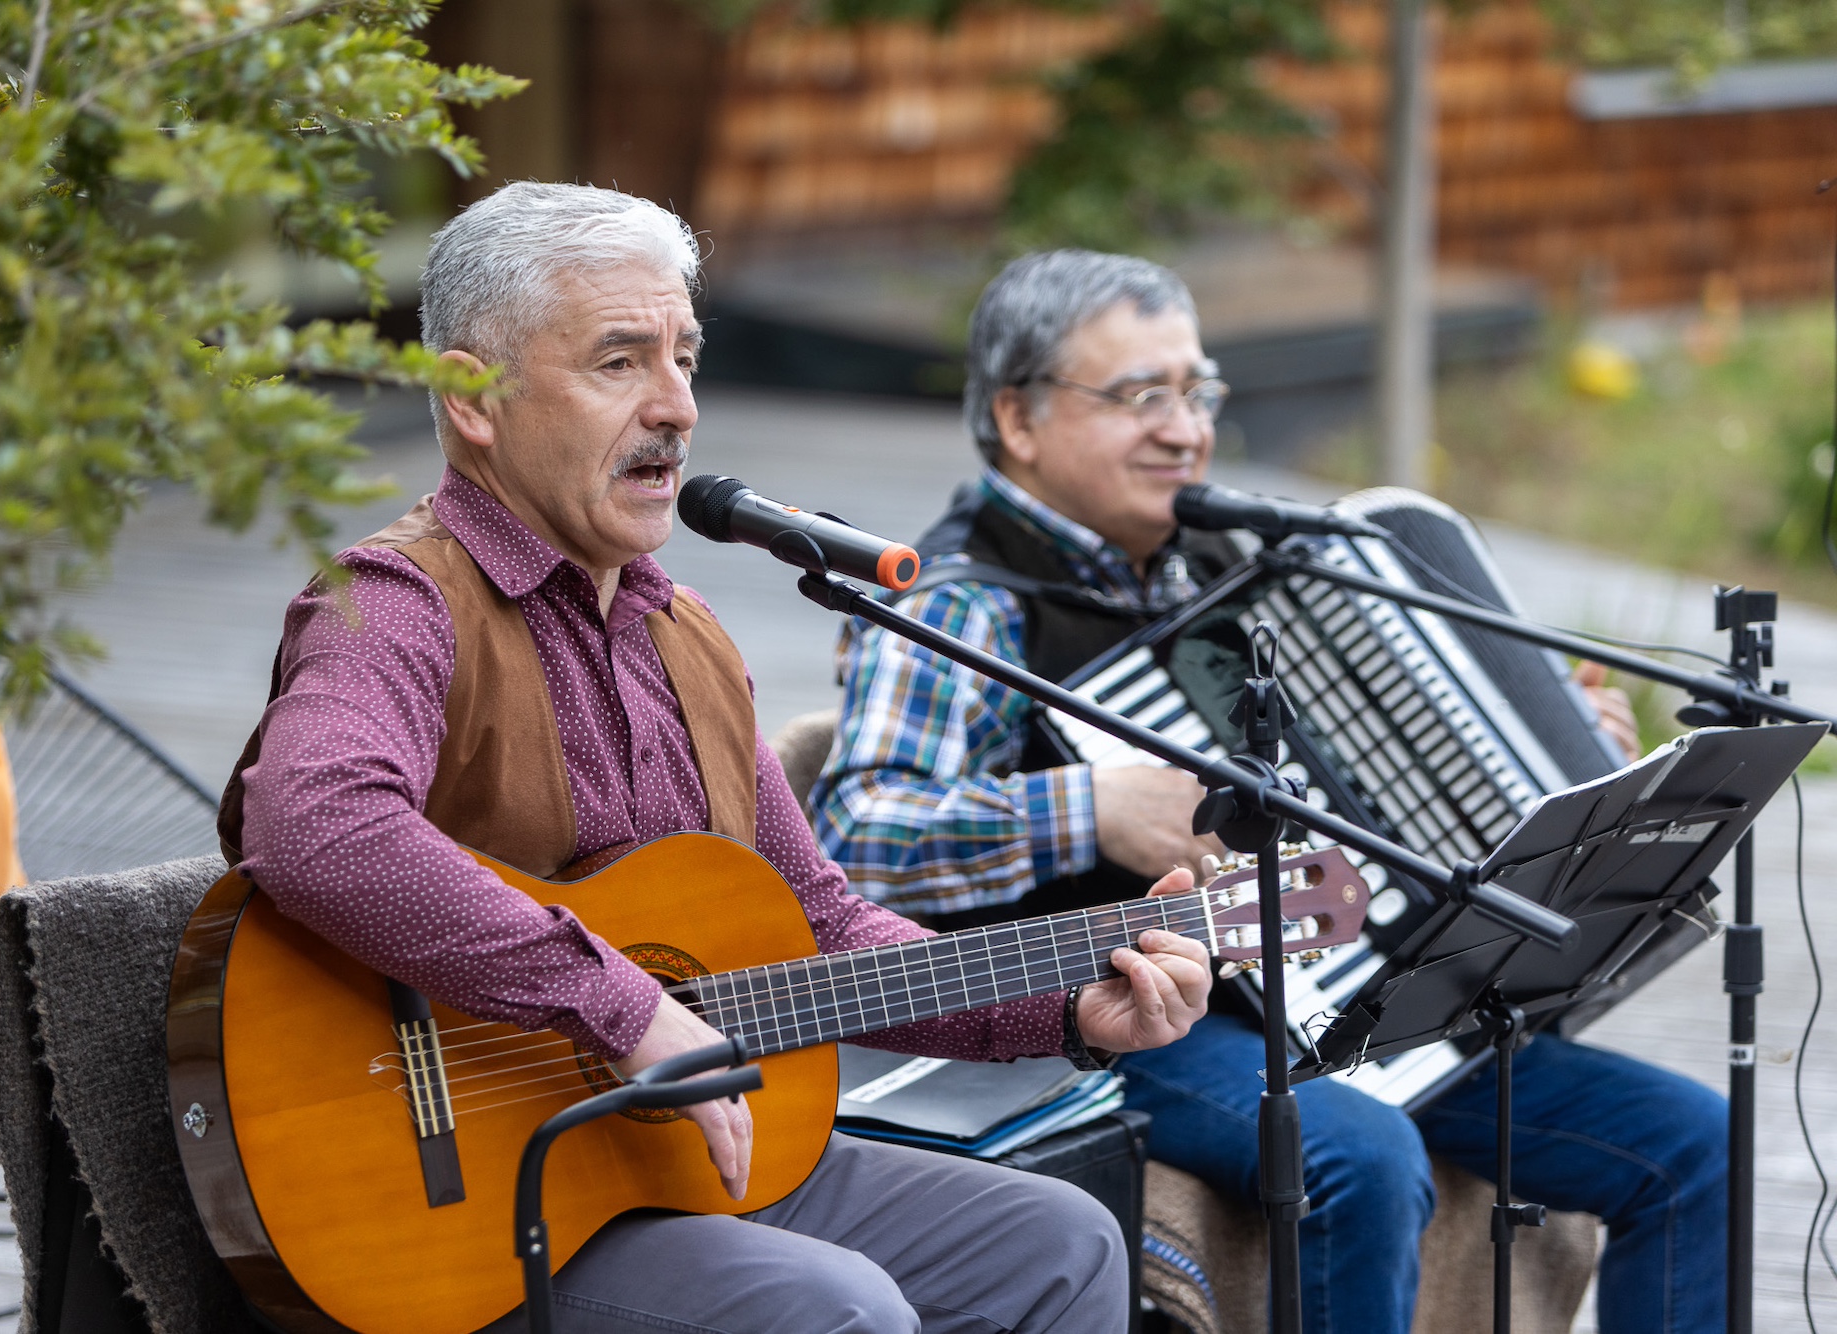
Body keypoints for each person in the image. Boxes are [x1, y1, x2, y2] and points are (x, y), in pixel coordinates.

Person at [218, 186, 1214, 1334]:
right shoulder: (391, 601)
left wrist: (1067, 1005)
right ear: (471, 396)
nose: (676, 407)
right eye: (619, 362)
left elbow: (823, 927)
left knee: (1059, 1243)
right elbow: (315, 825)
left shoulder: (686, 635)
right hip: (472, 1198)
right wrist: (617, 1003)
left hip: (677, 1161)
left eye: (684, 357)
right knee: (837, 1311)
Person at [813, 248, 1725, 1334]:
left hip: (1338, 992)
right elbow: (855, 830)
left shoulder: (1231, 567)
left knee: (1693, 1144)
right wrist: (1089, 806)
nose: (1183, 427)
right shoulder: (962, 604)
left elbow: (1369, 791)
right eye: (1139, 395)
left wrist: (1565, 751)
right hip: (1114, 1010)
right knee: (1358, 1153)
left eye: (1197, 390)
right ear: (1018, 417)